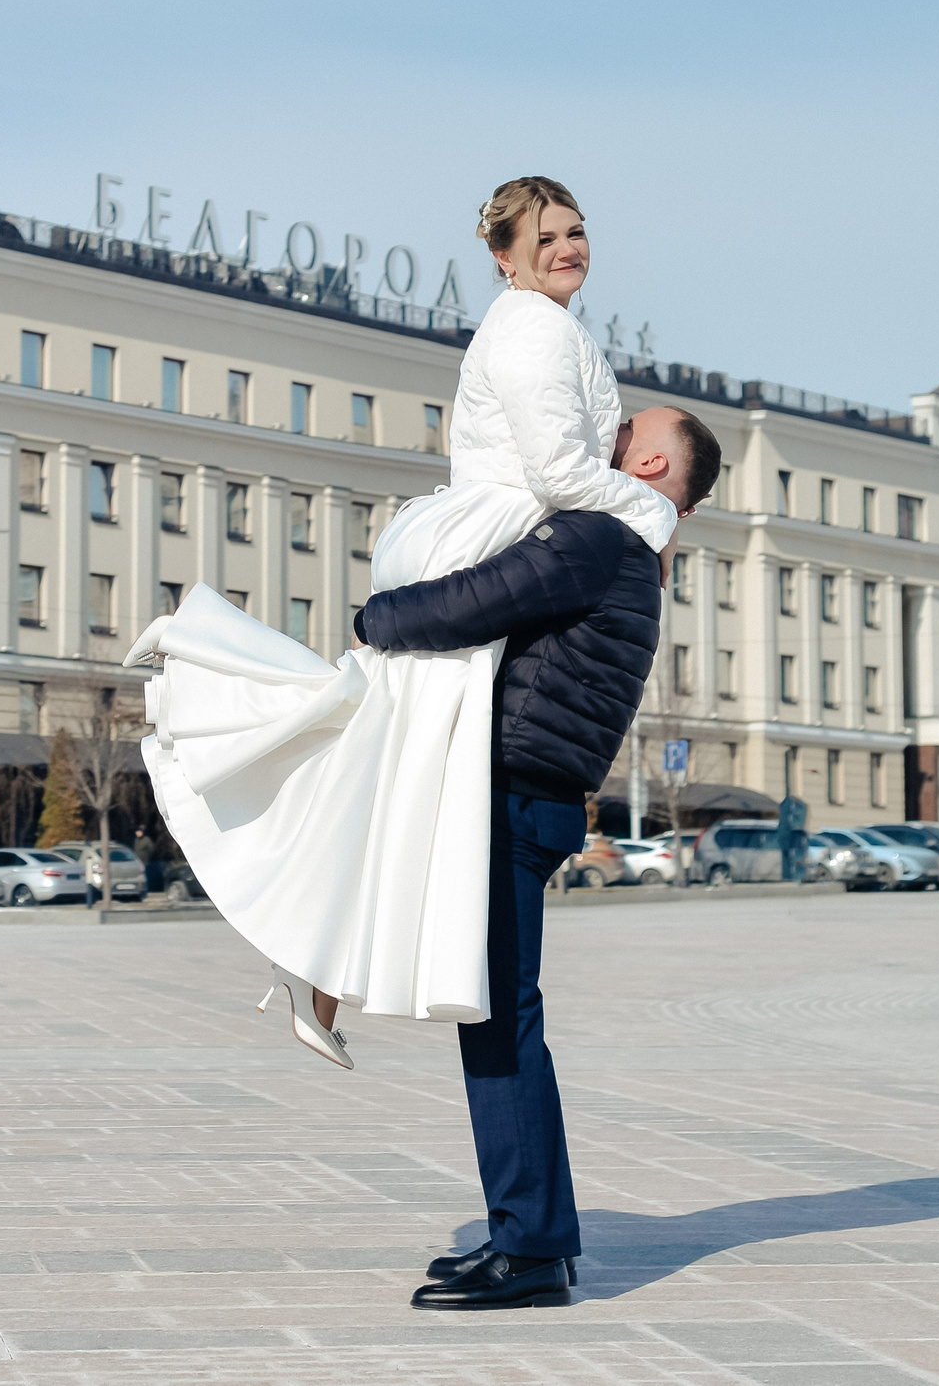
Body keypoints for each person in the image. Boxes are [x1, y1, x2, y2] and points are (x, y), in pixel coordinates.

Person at [128, 178, 681, 1051]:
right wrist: (653, 516)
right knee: (394, 762)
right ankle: (208, 661)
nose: (569, 248)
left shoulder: (550, 325)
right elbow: (560, 474)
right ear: (504, 257)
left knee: (383, 761)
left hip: (477, 527)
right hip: (489, 529)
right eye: (546, 239)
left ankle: (318, 973)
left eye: (577, 232)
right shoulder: (536, 328)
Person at [354, 407, 722, 1310]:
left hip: (511, 790)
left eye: (626, 427)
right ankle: (529, 1233)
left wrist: (376, 616)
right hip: (533, 793)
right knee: (498, 1012)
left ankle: (533, 1246)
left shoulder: (599, 537)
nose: (603, 429)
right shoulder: (633, 557)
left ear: (644, 460)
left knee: (501, 1016)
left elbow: (477, 597)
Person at [777, 789, 809, 884]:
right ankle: (792, 876)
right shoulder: (795, 831)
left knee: (793, 858)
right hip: (789, 839)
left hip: (791, 839)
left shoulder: (797, 833)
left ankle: (792, 877)